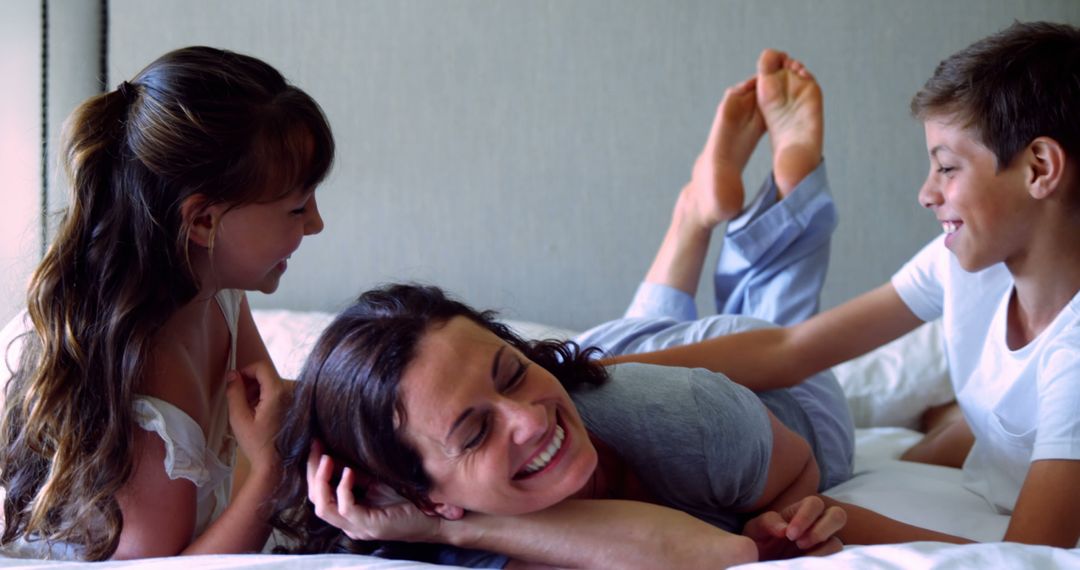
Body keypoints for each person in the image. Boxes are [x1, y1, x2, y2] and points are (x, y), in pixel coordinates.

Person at [274, 49, 850, 568]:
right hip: (608, 358)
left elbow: (756, 507)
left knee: (772, 326)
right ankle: (692, 214)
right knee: (627, 347)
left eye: (513, 369)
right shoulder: (425, 535)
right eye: (473, 433)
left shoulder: (684, 415)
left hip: (751, 398)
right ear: (419, 494)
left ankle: (782, 191)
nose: (526, 418)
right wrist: (445, 526)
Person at [604, 21, 1080, 548]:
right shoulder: (967, 268)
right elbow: (792, 347)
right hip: (992, 459)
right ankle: (736, 213)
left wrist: (825, 515)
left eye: (946, 168)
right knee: (943, 431)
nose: (926, 194)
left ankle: (704, 215)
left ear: (1039, 168)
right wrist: (594, 373)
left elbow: (1031, 555)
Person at [0, 46, 334, 560]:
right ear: (203, 222)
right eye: (296, 207)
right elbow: (170, 568)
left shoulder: (220, 295)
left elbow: (273, 409)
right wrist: (268, 471)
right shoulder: (145, 396)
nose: (315, 223)